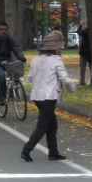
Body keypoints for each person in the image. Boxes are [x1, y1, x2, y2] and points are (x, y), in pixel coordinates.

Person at [20, 30, 75, 162]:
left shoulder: (36, 60)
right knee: (43, 125)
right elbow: (64, 78)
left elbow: (30, 77)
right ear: (56, 48)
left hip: (37, 95)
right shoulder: (56, 60)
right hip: (49, 96)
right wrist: (72, 88)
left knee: (52, 124)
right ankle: (27, 150)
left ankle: (53, 152)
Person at [0, 21, 27, 106]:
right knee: (1, 75)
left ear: (7, 30)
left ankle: (13, 91)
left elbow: (16, 48)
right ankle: (1, 97)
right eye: (1, 29)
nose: (3, 31)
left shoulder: (9, 39)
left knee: (16, 73)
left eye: (5, 29)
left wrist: (21, 57)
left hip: (7, 60)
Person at [76, 19, 92, 85]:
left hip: (83, 52)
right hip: (91, 52)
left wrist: (80, 24)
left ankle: (82, 81)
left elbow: (78, 31)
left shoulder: (85, 32)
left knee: (82, 68)